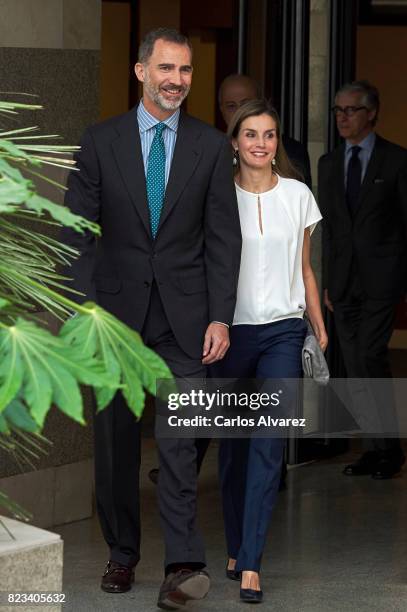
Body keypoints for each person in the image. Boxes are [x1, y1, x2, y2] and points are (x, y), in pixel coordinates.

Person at [62, 28, 241, 609]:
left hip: (186, 319)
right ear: (141, 72)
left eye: (185, 71)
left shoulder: (212, 147)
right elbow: (77, 233)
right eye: (166, 68)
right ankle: (122, 553)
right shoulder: (99, 141)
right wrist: (88, 308)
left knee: (180, 439)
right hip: (114, 319)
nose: (176, 81)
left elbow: (222, 239)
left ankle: (184, 564)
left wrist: (220, 317)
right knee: (114, 441)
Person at [214, 99, 327, 603]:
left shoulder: (298, 194)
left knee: (268, 442)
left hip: (284, 330)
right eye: (251, 134)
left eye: (270, 134)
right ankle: (236, 544)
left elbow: (305, 268)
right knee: (234, 448)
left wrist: (318, 326)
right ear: (235, 142)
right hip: (231, 334)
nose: (262, 143)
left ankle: (252, 562)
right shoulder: (216, 195)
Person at [319, 80, 406, 479]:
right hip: (342, 283)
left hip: (381, 280)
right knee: (354, 367)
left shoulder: (397, 161)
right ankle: (378, 448)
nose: (341, 117)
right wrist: (325, 280)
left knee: (369, 357)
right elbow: (331, 228)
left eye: (350, 110)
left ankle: (387, 447)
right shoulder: (329, 163)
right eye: (337, 110)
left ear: (371, 113)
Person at [219, 73, 313, 189]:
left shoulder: (297, 192)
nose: (240, 111)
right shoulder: (210, 154)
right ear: (221, 109)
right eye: (231, 106)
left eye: (246, 104)